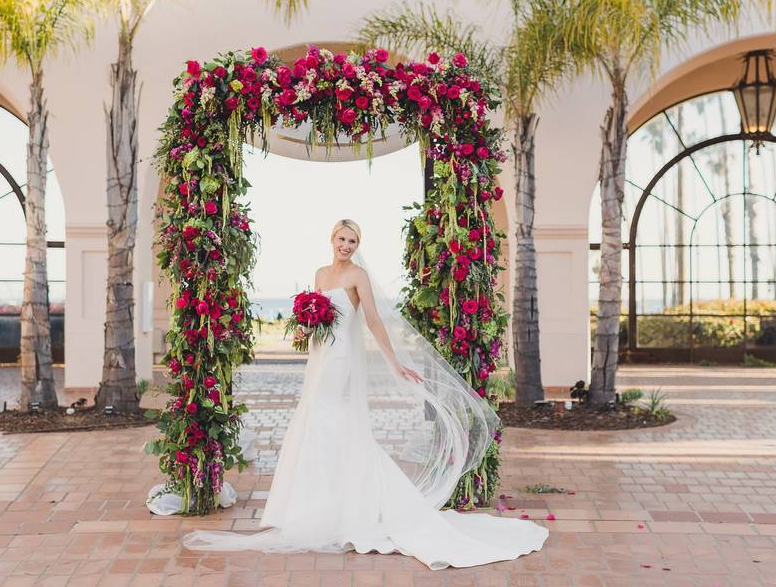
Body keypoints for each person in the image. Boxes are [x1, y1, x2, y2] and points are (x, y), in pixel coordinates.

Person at [182, 219, 548, 569]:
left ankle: (349, 506)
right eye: (342, 239)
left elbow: (372, 320)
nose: (346, 246)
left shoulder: (359, 276)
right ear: (332, 239)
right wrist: (302, 331)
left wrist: (395, 364)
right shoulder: (320, 275)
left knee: (331, 420)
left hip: (341, 358)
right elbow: (315, 320)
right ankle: (319, 505)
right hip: (319, 355)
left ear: (358, 246)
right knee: (315, 420)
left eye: (353, 241)